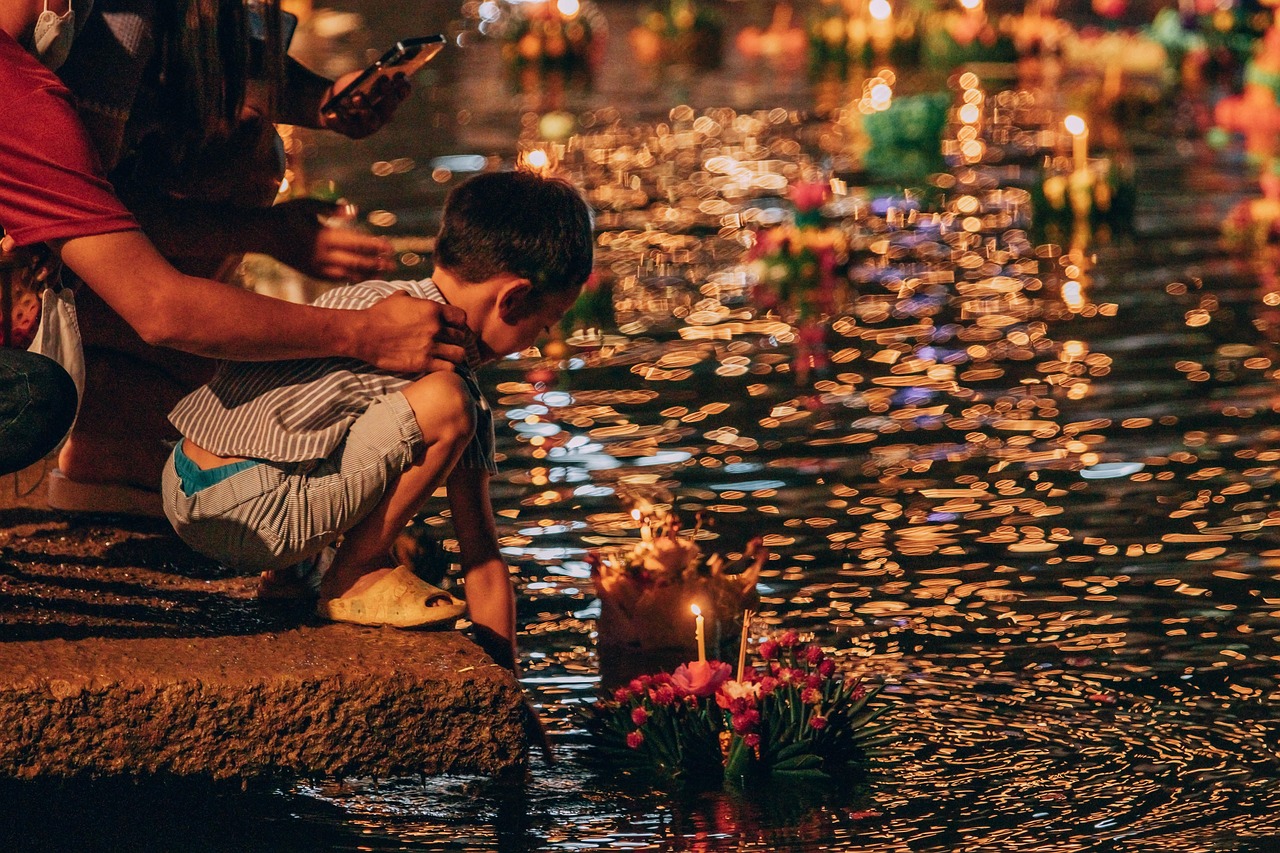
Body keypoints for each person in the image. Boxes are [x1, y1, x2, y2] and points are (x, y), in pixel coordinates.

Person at [0, 7, 465, 482]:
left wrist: (320, 99)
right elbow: (159, 305)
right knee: (33, 398)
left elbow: (218, 64)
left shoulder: (31, 85)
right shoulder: (25, 101)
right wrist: (366, 334)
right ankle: (116, 429)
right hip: (82, 307)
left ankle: (124, 428)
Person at [159, 173, 593, 677]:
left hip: (181, 481)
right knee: (448, 405)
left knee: (331, 417)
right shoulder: (451, 373)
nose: (536, 342)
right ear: (512, 299)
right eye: (544, 324)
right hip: (253, 517)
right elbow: (482, 555)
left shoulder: (370, 302)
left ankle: (291, 576)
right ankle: (353, 574)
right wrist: (509, 681)